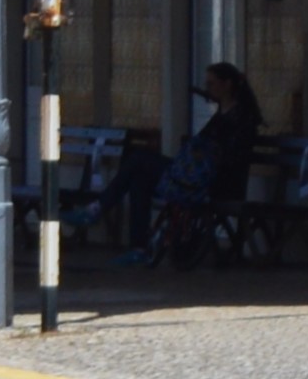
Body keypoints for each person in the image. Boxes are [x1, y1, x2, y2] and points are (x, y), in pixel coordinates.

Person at [113, 60, 264, 266]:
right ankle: (138, 247)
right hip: (195, 177)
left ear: (227, 84)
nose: (207, 88)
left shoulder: (242, 117)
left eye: (212, 83)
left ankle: (100, 206)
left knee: (140, 159)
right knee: (140, 180)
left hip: (214, 183)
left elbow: (227, 154)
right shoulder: (221, 114)